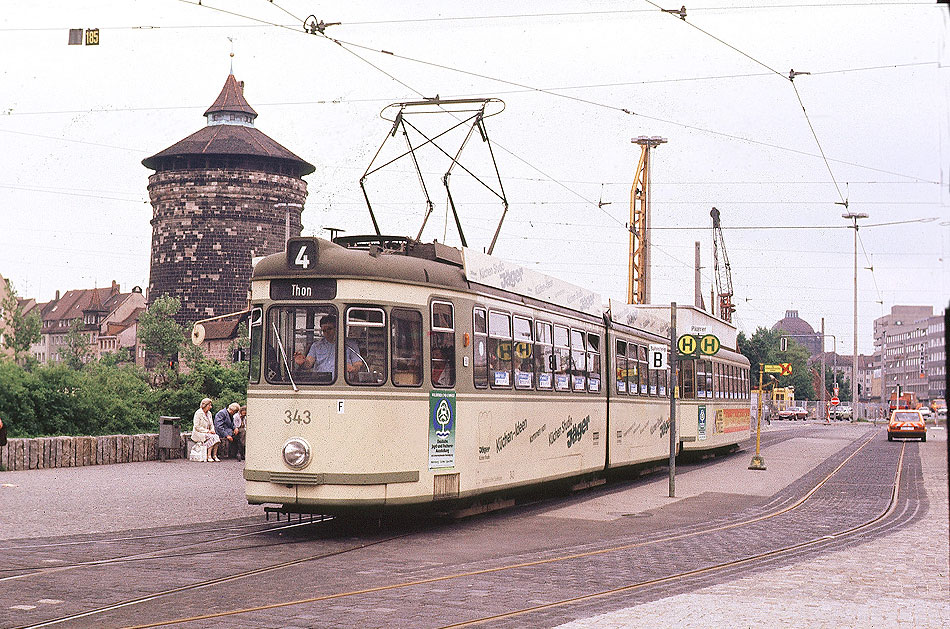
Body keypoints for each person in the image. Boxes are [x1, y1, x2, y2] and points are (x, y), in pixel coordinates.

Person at [293, 314, 361, 380]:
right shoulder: (316, 346)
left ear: (337, 328)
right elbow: (309, 363)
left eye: (329, 329)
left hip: (342, 383)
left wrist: (353, 369)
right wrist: (302, 362)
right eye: (324, 330)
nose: (327, 333)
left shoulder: (350, 345)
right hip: (321, 383)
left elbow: (358, 363)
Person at [191, 398, 221, 462]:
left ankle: (214, 455)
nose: (211, 407)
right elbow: (196, 427)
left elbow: (211, 424)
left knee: (216, 437)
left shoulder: (209, 413)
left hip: (208, 432)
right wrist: (207, 431)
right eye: (209, 405)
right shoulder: (198, 413)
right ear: (205, 405)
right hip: (198, 432)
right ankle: (209, 455)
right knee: (212, 438)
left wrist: (212, 430)